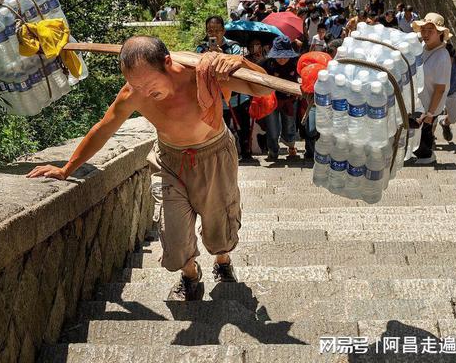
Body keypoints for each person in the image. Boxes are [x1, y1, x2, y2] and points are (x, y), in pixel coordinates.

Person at [26, 35, 272, 301]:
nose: (144, 92)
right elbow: (103, 129)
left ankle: (222, 260)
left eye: (149, 84)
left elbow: (263, 88)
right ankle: (190, 275)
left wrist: (240, 63)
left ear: (167, 63)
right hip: (170, 161)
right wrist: (67, 169)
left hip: (214, 156)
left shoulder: (203, 73)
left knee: (219, 227)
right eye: (136, 85)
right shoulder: (133, 93)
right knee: (173, 233)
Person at [197, 17, 253, 160]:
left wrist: (221, 55)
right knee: (220, 129)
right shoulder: (201, 49)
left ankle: (246, 154)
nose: (213, 34)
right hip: (216, 99)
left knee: (243, 128)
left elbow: (238, 63)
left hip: (237, 97)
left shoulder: (234, 46)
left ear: (223, 31)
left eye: (217, 30)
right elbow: (196, 67)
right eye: (210, 30)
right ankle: (222, 157)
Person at [412, 13, 453, 164]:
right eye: (424, 30)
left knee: (423, 136)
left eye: (431, 31)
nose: (426, 34)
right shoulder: (423, 47)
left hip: (430, 104)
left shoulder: (442, 57)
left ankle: (428, 157)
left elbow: (440, 89)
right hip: (419, 101)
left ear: (440, 33)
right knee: (416, 134)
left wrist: (430, 113)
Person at [259, 36, 300, 160]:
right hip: (271, 101)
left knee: (290, 125)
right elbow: (253, 71)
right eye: (278, 55)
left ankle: (291, 145)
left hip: (290, 100)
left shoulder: (296, 62)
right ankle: (273, 151)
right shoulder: (266, 63)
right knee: (272, 129)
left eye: (285, 55)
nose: (281, 59)